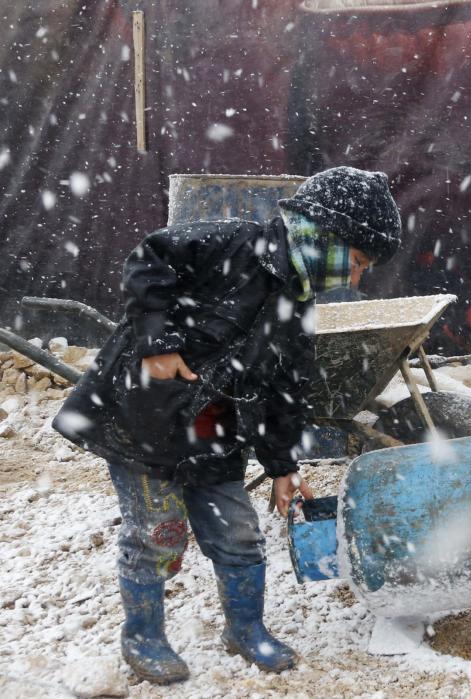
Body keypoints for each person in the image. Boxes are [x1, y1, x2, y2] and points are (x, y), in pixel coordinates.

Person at [53, 167, 401, 684]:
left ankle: (245, 629)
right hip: (144, 422)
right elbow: (149, 259)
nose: (354, 280)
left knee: (239, 536)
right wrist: (160, 343)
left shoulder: (296, 305)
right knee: (157, 535)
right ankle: (143, 637)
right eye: (356, 262)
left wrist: (283, 465)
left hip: (215, 432)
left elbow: (287, 391)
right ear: (327, 233)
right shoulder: (235, 244)